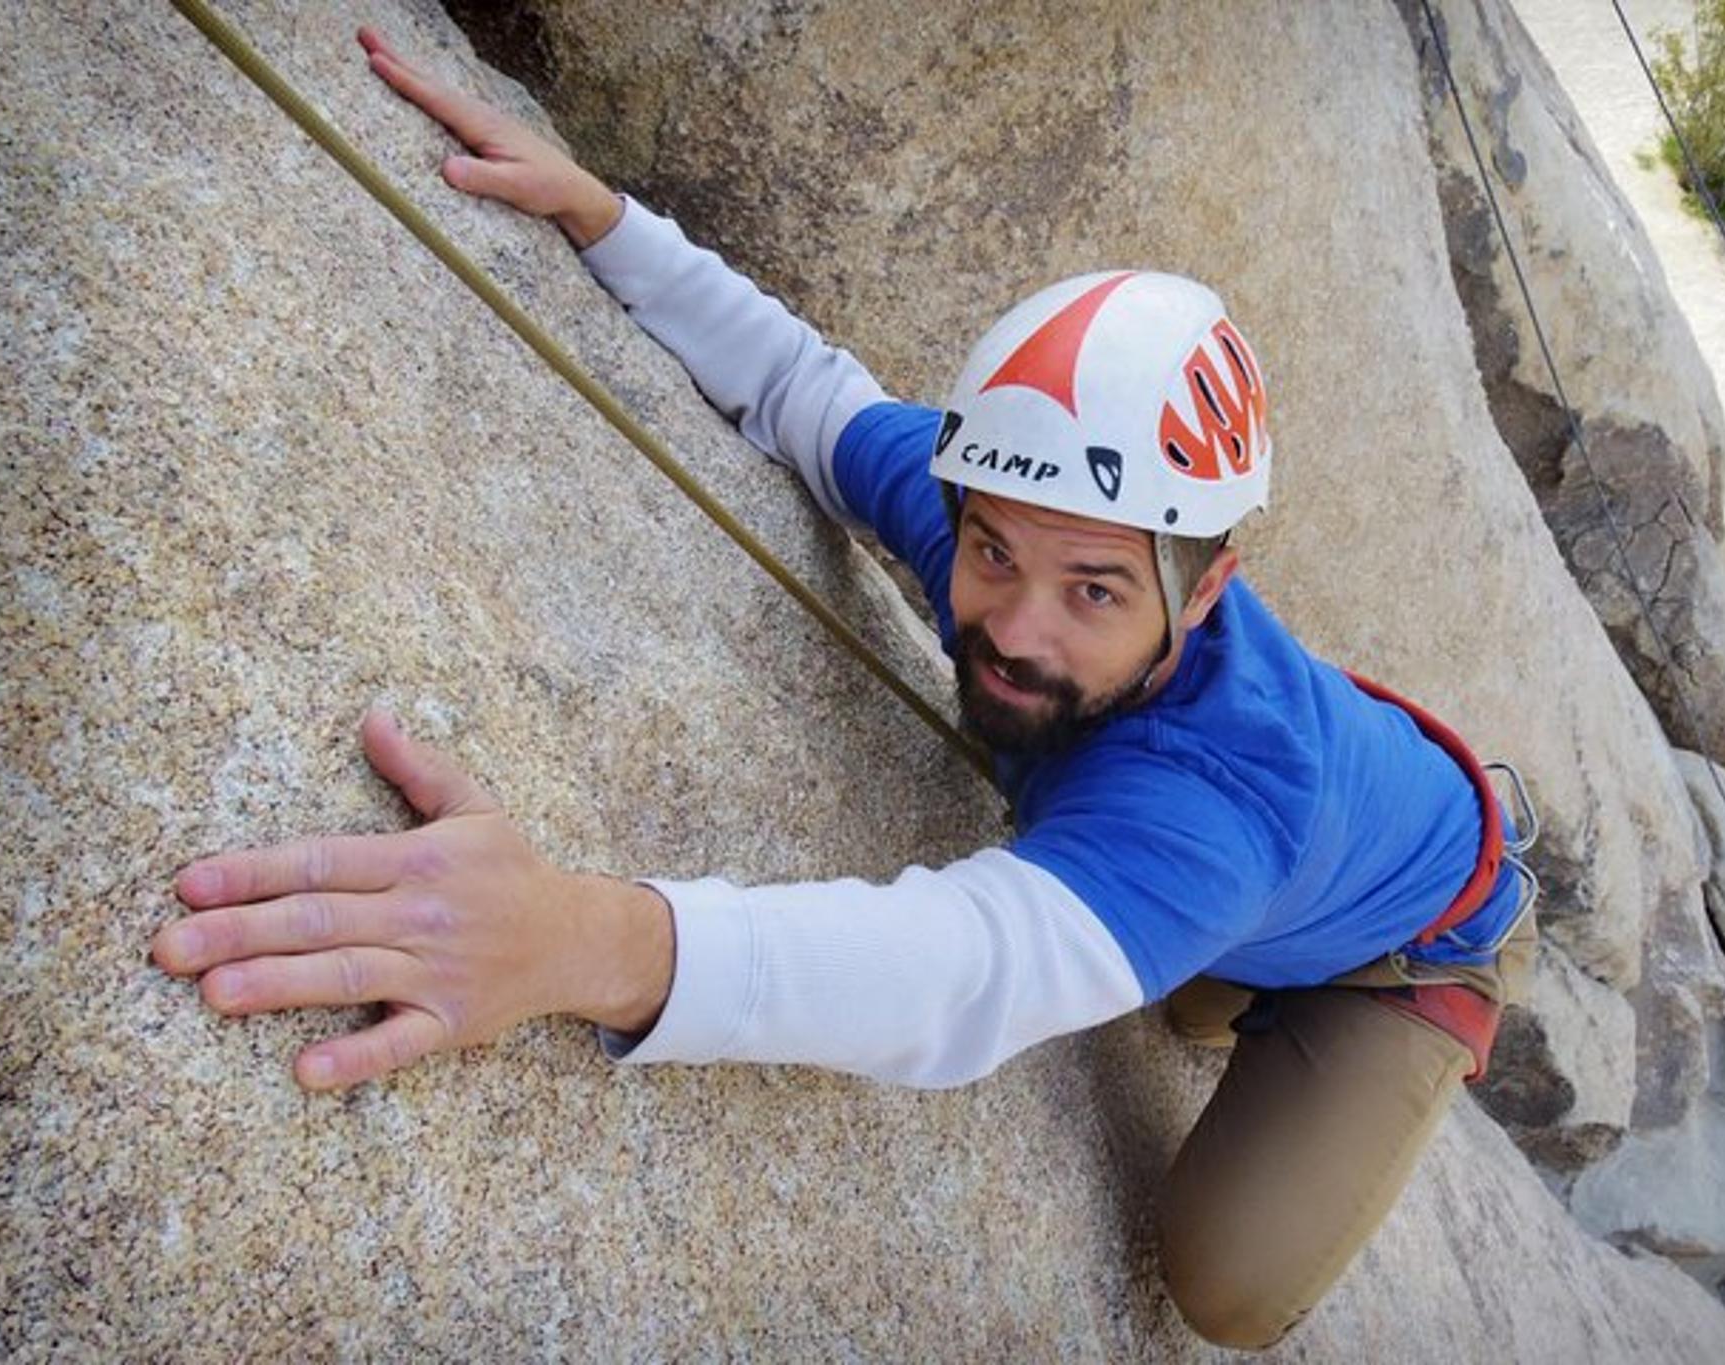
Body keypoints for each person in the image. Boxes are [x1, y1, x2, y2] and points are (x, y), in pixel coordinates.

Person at [148, 27, 1538, 1349]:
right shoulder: (1008, 514)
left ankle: (1317, 982)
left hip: (1415, 929)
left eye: (1097, 592)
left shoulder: (1220, 807)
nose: (1015, 627)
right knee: (1161, 966)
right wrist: (600, 215)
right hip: (1280, 830)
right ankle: (1219, 973)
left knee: (1224, 1283)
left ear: (1210, 589)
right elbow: (808, 392)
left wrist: (577, 936)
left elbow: (956, 973)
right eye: (991, 552)